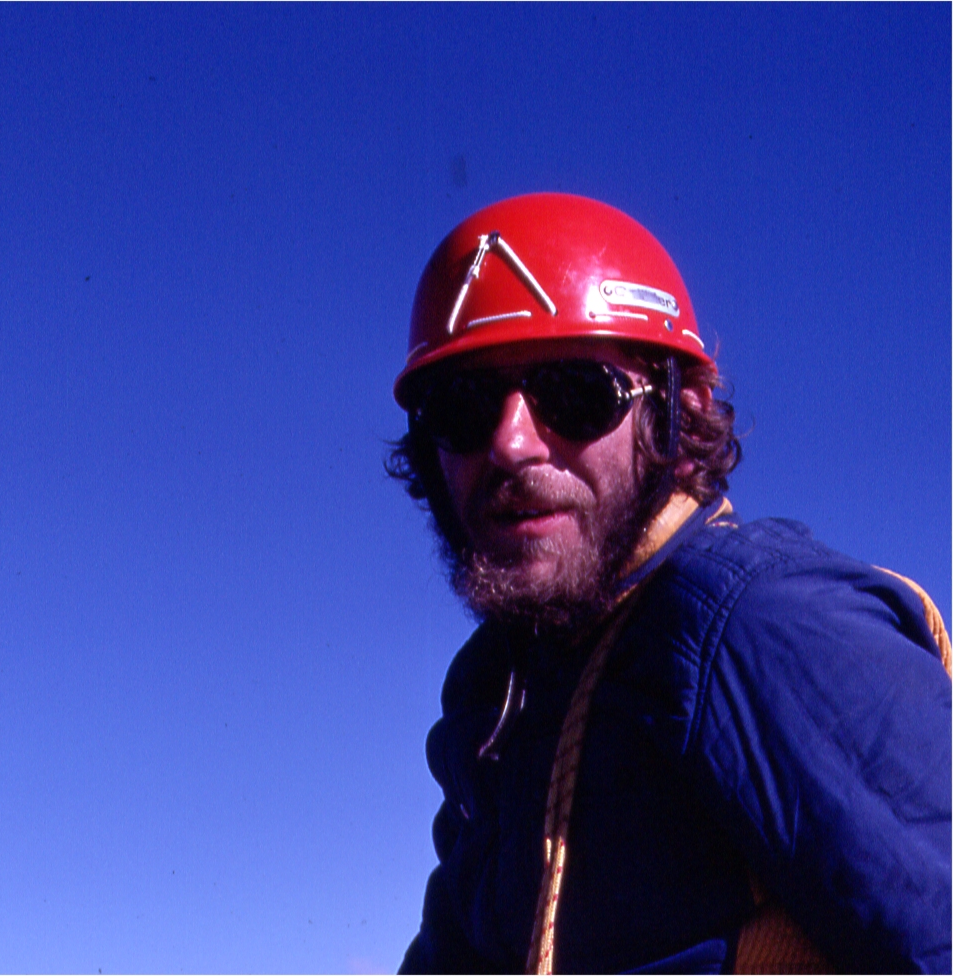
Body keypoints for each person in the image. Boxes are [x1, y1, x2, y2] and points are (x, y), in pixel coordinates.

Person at [387, 193, 951, 974]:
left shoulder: (757, 627)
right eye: (464, 408)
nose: (511, 444)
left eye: (576, 395)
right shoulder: (499, 688)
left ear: (679, 419)